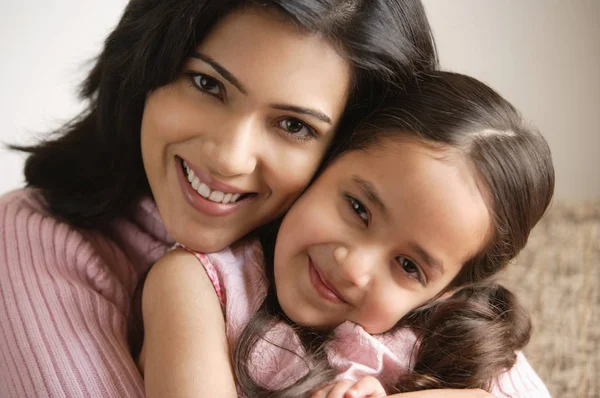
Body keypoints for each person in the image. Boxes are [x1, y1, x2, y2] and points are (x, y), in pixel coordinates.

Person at [0, 1, 438, 396]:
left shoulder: (377, 270)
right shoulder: (30, 236)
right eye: (207, 84)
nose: (229, 158)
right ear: (147, 67)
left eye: (293, 126)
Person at [136, 71, 555, 397]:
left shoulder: (452, 340)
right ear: (324, 163)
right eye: (358, 209)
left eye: (408, 266)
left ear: (445, 291)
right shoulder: (202, 285)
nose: (353, 267)